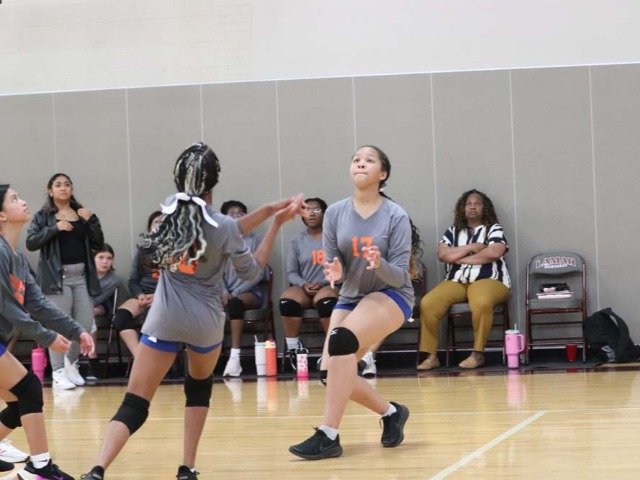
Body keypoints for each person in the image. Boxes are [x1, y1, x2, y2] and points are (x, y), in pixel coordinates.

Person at [81, 142, 303, 480]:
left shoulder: (169, 209)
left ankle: (97, 469)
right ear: (214, 182)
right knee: (198, 390)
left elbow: (224, 225)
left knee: (135, 402)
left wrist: (269, 210)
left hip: (165, 317)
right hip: (205, 322)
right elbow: (250, 270)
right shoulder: (224, 227)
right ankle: (187, 467)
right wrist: (275, 222)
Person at [289, 145, 422, 460]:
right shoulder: (335, 213)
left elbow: (399, 275)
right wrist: (335, 271)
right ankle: (391, 413)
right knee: (330, 373)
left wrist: (379, 265)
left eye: (369, 160)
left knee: (341, 341)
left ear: (383, 174)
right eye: (356, 160)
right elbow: (333, 260)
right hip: (351, 296)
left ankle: (328, 435)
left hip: (392, 295)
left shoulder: (396, 216)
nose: (361, 163)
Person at [0, 184, 94, 479]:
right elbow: (8, 308)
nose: (23, 201)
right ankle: (40, 468)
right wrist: (48, 337)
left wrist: (76, 330)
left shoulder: (16, 257)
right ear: (1, 215)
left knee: (19, 402)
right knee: (28, 388)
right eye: (14, 199)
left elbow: (37, 303)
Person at [417, 189, 511, 370]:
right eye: (469, 204)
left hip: (490, 280)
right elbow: (443, 255)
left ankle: (478, 354)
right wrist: (472, 247)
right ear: (462, 208)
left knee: (481, 300)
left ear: (485, 208)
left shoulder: (493, 229)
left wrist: (459, 259)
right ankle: (431, 356)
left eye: (477, 204)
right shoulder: (452, 232)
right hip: (457, 281)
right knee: (428, 303)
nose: (472, 207)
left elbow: (493, 252)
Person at [26, 173, 104, 390]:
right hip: (56, 279)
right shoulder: (43, 217)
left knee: (84, 324)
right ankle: (58, 371)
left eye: (67, 184)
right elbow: (31, 242)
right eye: (58, 185)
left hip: (82, 278)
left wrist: (92, 220)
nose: (63, 188)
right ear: (50, 191)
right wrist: (55, 228)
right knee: (59, 325)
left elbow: (98, 244)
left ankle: (71, 363)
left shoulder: (82, 214)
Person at [278, 197, 338, 371]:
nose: (311, 214)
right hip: (304, 287)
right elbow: (292, 272)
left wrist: (323, 282)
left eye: (316, 210)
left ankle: (330, 350)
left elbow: (341, 268)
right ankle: (293, 349)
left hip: (328, 285)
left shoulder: (334, 238)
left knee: (327, 302)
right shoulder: (296, 241)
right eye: (307, 210)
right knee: (287, 301)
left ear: (325, 214)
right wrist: (303, 284)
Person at [109, 211, 163, 359]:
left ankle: (152, 360)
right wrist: (140, 295)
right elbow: (133, 281)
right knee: (121, 317)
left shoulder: (177, 251)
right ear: (150, 228)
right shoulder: (142, 251)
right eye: (156, 222)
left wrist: (156, 296)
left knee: (150, 317)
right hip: (143, 295)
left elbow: (179, 283)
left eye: (163, 223)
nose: (159, 226)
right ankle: (140, 358)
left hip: (165, 297)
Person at [220, 201, 264, 377]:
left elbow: (259, 273)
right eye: (232, 213)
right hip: (224, 292)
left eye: (240, 213)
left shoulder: (254, 240)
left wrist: (235, 293)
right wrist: (224, 292)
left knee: (235, 304)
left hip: (248, 293)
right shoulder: (219, 242)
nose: (237, 216)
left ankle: (234, 357)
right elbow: (215, 273)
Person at [88, 243, 122, 380]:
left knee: (87, 314)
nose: (105, 262)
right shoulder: (84, 274)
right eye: (101, 257)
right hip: (79, 305)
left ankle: (93, 360)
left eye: (109, 258)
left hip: (101, 305)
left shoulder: (113, 279)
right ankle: (69, 361)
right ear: (93, 259)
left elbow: (98, 300)